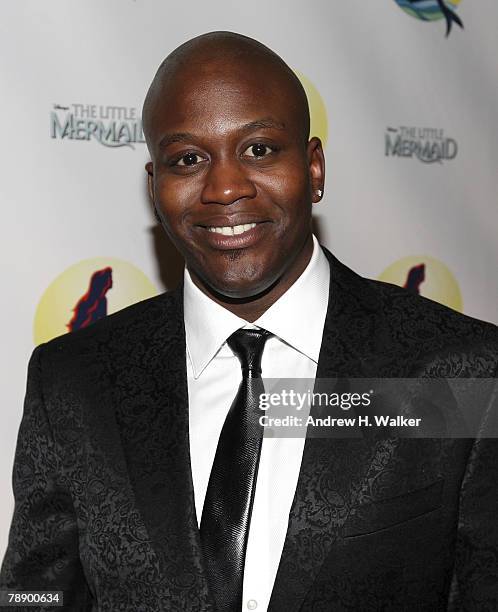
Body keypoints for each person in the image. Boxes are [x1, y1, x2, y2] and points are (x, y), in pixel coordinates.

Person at [1, 31, 497, 612]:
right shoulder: (75, 381)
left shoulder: (455, 372)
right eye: (188, 159)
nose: (226, 187)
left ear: (313, 168)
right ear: (154, 185)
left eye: (259, 149)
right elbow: (34, 594)